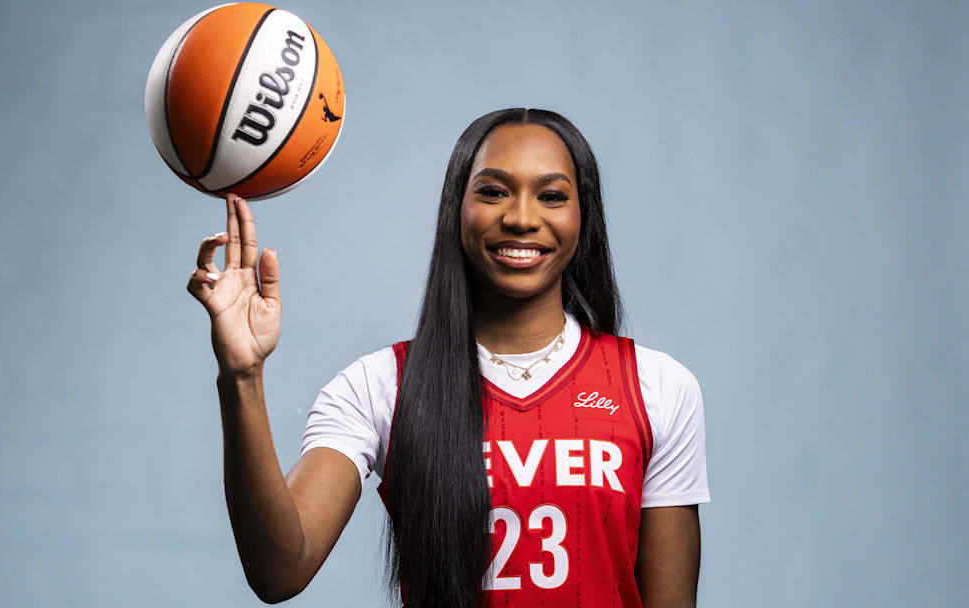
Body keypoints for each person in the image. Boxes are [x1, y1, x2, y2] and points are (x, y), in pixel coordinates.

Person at [186, 108, 710, 607]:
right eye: (493, 191)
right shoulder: (379, 386)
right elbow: (281, 570)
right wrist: (242, 374)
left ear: (583, 216)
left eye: (551, 195)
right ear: (456, 209)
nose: (522, 218)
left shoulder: (656, 386)